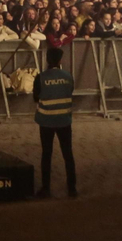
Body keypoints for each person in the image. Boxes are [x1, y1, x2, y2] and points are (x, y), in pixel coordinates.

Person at [32, 45, 77, 198]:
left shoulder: (41, 77)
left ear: (47, 60)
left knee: (47, 154)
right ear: (60, 60)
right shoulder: (68, 76)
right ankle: (72, 188)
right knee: (68, 153)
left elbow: (36, 97)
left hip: (46, 120)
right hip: (64, 120)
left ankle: (46, 188)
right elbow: (70, 91)